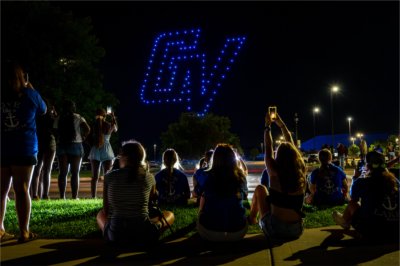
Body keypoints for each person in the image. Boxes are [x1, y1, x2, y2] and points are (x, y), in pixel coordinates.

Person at [1, 61, 47, 243]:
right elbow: (43, 110)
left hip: (3, 147)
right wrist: (31, 88)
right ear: (23, 78)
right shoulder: (30, 95)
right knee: (22, 190)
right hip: (24, 147)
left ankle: (0, 229)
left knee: (1, 191)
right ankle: (24, 232)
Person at [96, 140, 174, 245]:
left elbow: (106, 211)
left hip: (116, 236)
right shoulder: (149, 177)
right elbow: (151, 205)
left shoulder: (109, 177)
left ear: (123, 157)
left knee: (100, 214)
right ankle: (155, 228)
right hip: (143, 236)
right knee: (169, 215)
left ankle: (109, 233)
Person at [248, 110, 307, 240]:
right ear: (295, 156)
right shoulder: (301, 173)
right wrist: (281, 125)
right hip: (296, 230)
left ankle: (252, 218)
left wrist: (267, 126)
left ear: (278, 156)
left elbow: (268, 148)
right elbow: (293, 147)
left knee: (260, 189)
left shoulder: (274, 173)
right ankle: (253, 218)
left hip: (275, 229)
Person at [332, 151, 399, 242]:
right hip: (396, 232)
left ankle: (345, 221)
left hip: (372, 232)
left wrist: (355, 178)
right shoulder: (395, 182)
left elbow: (353, 198)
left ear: (367, 166)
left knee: (352, 204)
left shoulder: (362, 182)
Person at [197, 143, 249, 242]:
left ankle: (205, 218)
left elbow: (199, 193)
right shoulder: (241, 177)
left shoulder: (207, 176)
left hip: (210, 232)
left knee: (204, 197)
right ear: (233, 159)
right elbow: (244, 195)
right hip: (238, 232)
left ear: (215, 159)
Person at [55, 100, 90, 199]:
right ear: (73, 108)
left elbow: (54, 131)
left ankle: (62, 197)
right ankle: (75, 197)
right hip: (76, 145)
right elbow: (88, 129)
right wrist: (82, 137)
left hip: (62, 145)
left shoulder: (59, 118)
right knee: (75, 173)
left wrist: (59, 138)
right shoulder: (78, 117)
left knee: (62, 173)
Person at [30, 99, 58, 200]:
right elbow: (56, 130)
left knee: (37, 170)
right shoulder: (51, 117)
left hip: (38, 142)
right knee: (47, 170)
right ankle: (45, 195)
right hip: (50, 142)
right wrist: (55, 115)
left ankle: (35, 195)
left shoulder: (36, 116)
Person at [88, 108, 118, 198]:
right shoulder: (108, 125)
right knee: (107, 176)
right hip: (106, 150)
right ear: (105, 116)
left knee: (94, 177)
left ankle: (93, 196)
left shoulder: (93, 125)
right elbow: (115, 129)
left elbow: (87, 136)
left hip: (95, 149)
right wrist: (113, 117)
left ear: (95, 115)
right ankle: (107, 196)